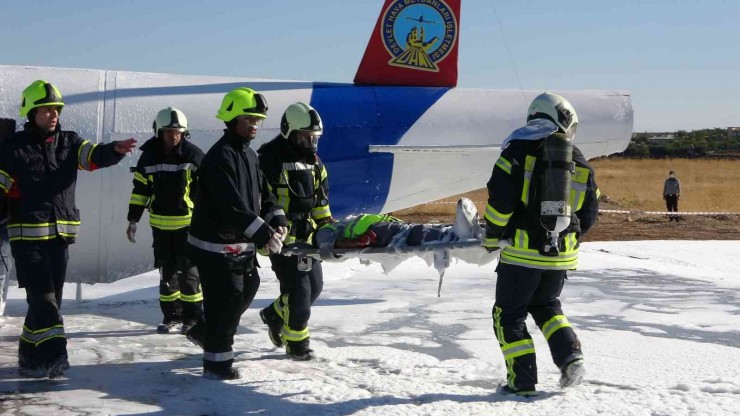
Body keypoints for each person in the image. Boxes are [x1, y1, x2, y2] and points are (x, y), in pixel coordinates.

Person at [0, 80, 137, 379]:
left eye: (56, 110)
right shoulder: (12, 149)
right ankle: (55, 357)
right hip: (27, 239)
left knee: (47, 302)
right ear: (32, 112)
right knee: (44, 299)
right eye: (47, 110)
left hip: (60, 238)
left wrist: (113, 150)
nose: (53, 115)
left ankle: (29, 357)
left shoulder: (70, 142)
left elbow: (93, 157)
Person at [482, 92, 599, 397]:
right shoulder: (578, 158)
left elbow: (500, 203)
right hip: (562, 253)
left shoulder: (517, 150)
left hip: (521, 253)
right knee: (547, 307)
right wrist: (565, 239)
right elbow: (589, 212)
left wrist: (492, 236)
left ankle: (521, 383)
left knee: (508, 316)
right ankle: (571, 357)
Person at [185, 87, 288, 380]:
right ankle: (217, 365)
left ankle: (206, 332)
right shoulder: (220, 157)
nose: (255, 124)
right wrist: (264, 233)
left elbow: (264, 194)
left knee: (248, 288)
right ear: (231, 118)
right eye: (248, 119)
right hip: (214, 247)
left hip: (239, 247)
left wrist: (276, 218)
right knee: (226, 299)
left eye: (257, 119)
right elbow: (231, 206)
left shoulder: (250, 155)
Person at [256, 102, 334, 361]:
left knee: (314, 289)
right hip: (281, 239)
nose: (310, 143)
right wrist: (269, 233)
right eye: (305, 137)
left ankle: (274, 314)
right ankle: (297, 344)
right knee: (298, 293)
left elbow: (321, 201)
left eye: (314, 138)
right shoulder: (269, 159)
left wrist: (326, 228)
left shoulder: (315, 163)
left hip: (308, 238)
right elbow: (262, 200)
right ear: (289, 132)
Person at [127, 107, 205, 334]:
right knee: (166, 275)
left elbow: (205, 194)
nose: (173, 135)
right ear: (158, 132)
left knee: (190, 276)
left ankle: (193, 319)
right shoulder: (148, 156)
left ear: (184, 132)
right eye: (168, 131)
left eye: (178, 131)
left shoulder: (194, 156)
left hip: (188, 227)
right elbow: (140, 190)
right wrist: (133, 219)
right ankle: (171, 316)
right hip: (160, 228)